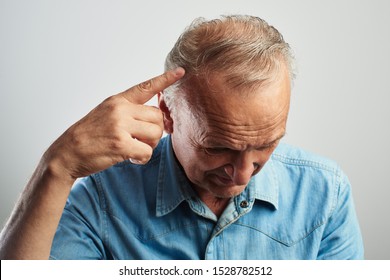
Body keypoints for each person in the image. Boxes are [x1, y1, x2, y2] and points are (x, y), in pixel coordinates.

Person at [0, 15, 363, 260]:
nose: (241, 173)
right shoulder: (101, 197)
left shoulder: (325, 194)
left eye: (266, 144)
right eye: (218, 146)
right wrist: (56, 167)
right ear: (169, 114)